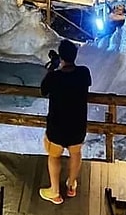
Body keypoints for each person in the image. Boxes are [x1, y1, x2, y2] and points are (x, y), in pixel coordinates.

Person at [39, 39, 92, 205]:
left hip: (57, 126)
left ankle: (55, 191)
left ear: (61, 56)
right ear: (75, 56)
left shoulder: (55, 77)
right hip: (77, 125)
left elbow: (43, 90)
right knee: (75, 153)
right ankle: (71, 185)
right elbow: (85, 83)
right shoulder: (83, 73)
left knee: (54, 156)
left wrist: (52, 68)